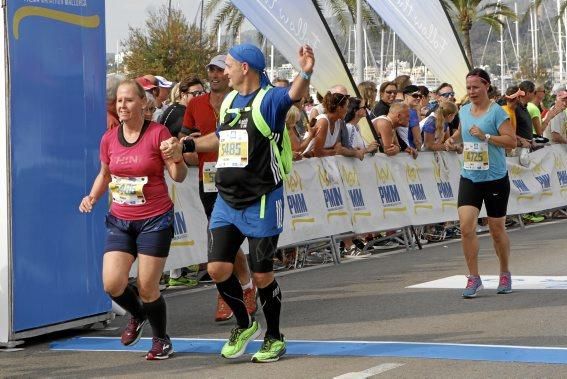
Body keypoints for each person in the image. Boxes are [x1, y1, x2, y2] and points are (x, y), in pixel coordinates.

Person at [164, 43, 314, 362]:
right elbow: (219, 137)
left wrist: (305, 70)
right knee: (218, 268)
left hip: (261, 201)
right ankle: (245, 324)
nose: (224, 71)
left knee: (261, 275)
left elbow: (295, 95)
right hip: (226, 201)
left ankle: (274, 337)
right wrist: (186, 143)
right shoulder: (230, 99)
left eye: (229, 65)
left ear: (245, 68)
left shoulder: (268, 98)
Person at [79, 79, 187, 360]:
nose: (123, 105)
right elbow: (105, 174)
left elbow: (178, 176)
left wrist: (178, 157)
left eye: (128, 100)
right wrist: (91, 196)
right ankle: (138, 315)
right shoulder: (109, 138)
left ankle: (162, 339)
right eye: (119, 101)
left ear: (142, 103)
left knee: (147, 286)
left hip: (154, 219)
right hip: (120, 219)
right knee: (112, 284)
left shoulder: (158, 133)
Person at [179, 56, 257, 322]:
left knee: (236, 236)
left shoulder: (242, 101)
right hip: (209, 179)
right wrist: (188, 146)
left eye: (219, 69)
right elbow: (184, 140)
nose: (213, 74)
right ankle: (233, 292)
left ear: (229, 73)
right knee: (222, 236)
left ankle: (247, 285)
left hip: (240, 177)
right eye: (210, 69)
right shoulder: (195, 104)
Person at [444, 68, 516, 299]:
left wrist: (486, 136)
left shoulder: (497, 112)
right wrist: (452, 140)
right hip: (470, 176)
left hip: (494, 178)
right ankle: (474, 278)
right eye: (468, 88)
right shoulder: (464, 111)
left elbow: (511, 142)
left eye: (476, 87)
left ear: (486, 86)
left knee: (496, 230)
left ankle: (504, 272)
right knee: (466, 228)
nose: (472, 91)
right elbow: (461, 132)